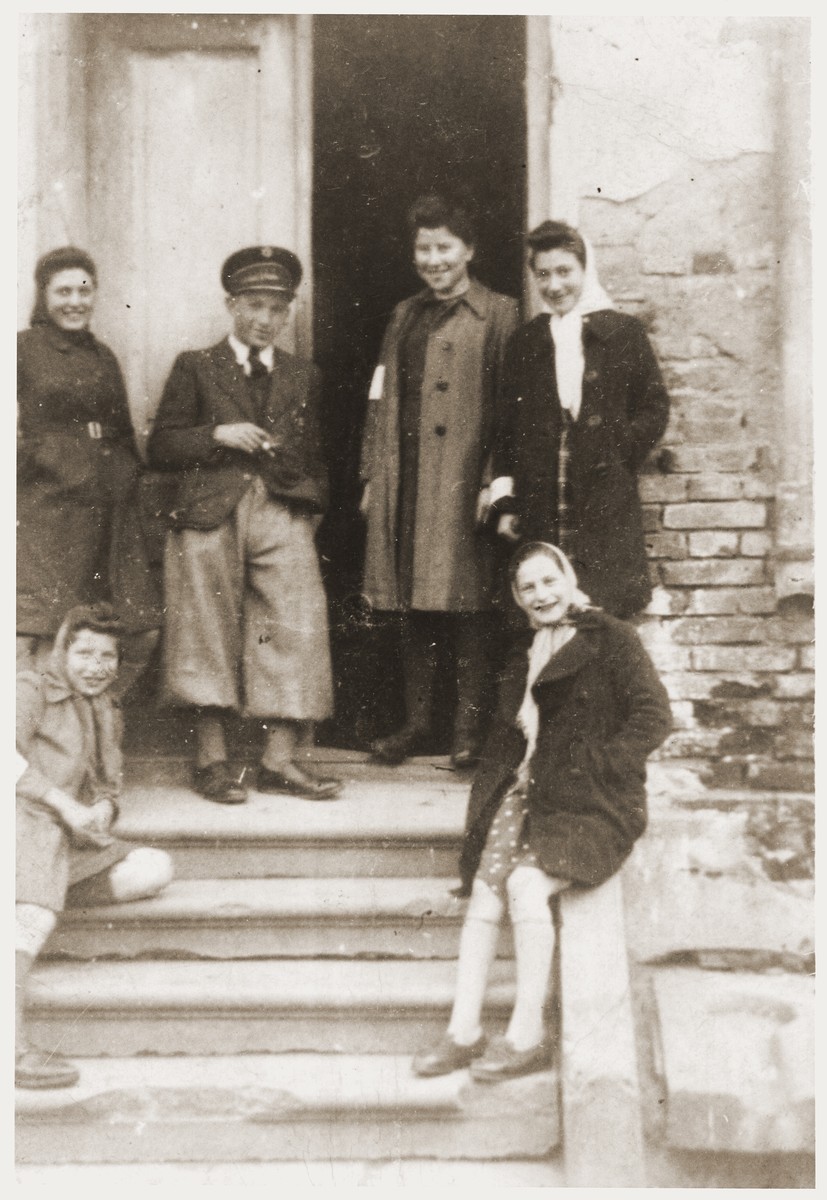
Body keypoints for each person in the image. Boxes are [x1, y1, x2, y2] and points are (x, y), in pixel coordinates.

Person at [412, 542, 671, 1081]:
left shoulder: (610, 639)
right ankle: (464, 1031)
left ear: (568, 579)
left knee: (526, 888)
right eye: (528, 588)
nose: (542, 595)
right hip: (531, 794)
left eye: (549, 581)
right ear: (517, 598)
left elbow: (653, 715)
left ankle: (527, 1035)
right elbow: (511, 740)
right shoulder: (524, 652)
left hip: (594, 802)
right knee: (486, 890)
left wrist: (601, 765)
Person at [148, 246, 339, 804]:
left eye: (276, 310)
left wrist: (310, 505)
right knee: (205, 628)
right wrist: (217, 435)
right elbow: (161, 445)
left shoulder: (304, 374)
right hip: (211, 508)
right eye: (253, 305)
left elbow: (316, 452)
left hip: (280, 509)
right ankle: (211, 761)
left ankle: (279, 761)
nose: (264, 319)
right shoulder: (197, 365)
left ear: (288, 314)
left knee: (293, 622)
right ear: (232, 305)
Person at [360, 193, 519, 767]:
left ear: (469, 250)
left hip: (463, 480)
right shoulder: (405, 314)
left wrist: (494, 482)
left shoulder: (501, 313)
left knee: (469, 604)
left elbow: (511, 403)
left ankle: (467, 735)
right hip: (408, 477)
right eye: (423, 248)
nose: (433, 259)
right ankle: (416, 724)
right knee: (412, 604)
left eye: (444, 247)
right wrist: (372, 475)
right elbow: (380, 396)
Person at [16, 604, 174, 1090]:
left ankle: (33, 895)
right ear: (62, 650)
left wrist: (104, 808)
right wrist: (66, 805)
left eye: (108, 656)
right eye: (84, 652)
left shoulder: (106, 706)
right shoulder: (31, 688)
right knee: (34, 918)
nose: (96, 666)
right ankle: (14, 1048)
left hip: (67, 834)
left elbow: (108, 781)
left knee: (152, 868)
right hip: (23, 817)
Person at [490, 221, 671, 619]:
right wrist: (505, 501)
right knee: (547, 607)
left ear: (584, 271)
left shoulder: (623, 333)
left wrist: (620, 452)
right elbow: (504, 428)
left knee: (603, 612)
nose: (554, 285)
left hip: (603, 499)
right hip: (543, 499)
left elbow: (654, 407)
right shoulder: (527, 342)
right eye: (543, 274)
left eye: (564, 272)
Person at [17, 246, 160, 688]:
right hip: (47, 508)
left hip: (106, 506)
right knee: (42, 626)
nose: (74, 301)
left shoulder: (104, 356)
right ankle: (34, 744)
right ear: (43, 295)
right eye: (63, 291)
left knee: (130, 624)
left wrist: (125, 476)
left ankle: (95, 728)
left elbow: (120, 430)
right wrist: (44, 457)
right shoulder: (22, 348)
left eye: (84, 290)